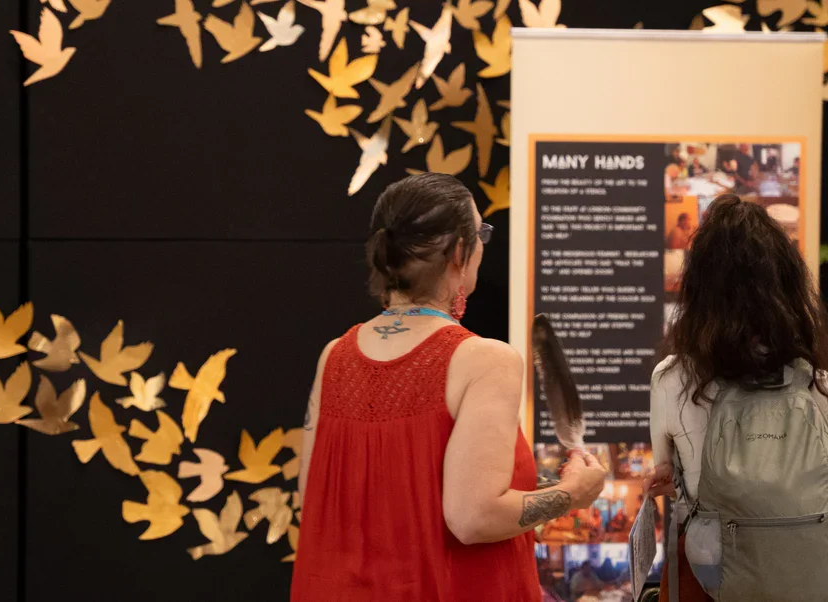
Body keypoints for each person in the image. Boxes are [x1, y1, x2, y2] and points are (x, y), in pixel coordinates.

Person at [291, 173, 606, 602]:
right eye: (481, 234)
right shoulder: (483, 360)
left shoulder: (334, 356)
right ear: (460, 250)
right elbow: (472, 517)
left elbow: (317, 500)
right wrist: (572, 493)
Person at [645, 194, 828, 601]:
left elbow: (667, 476)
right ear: (787, 282)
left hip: (711, 580)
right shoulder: (819, 384)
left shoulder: (672, 379)